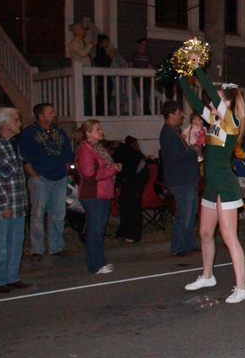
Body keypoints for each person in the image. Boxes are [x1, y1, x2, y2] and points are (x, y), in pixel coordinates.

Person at [178, 68, 245, 304]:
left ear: (226, 103)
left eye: (215, 101)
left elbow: (208, 92)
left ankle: (242, 287)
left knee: (230, 237)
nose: (209, 104)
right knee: (205, 233)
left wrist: (199, 69)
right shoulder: (214, 121)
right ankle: (208, 275)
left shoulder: (231, 122)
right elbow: (196, 102)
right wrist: (181, 75)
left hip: (226, 186)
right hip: (211, 185)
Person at [18, 102, 74, 262]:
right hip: (40, 178)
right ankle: (37, 248)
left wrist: (66, 168)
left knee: (58, 214)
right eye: (50, 112)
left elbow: (66, 152)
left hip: (59, 177)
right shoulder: (29, 134)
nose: (54, 114)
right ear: (41, 115)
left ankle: (56, 246)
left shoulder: (58, 133)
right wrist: (34, 176)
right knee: (37, 214)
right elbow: (25, 157)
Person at [74, 120, 122, 274]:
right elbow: (90, 174)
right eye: (97, 129)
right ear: (88, 132)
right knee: (95, 229)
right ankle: (95, 264)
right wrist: (113, 169)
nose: (101, 131)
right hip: (94, 194)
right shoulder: (85, 150)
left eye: (100, 128)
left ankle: (99, 261)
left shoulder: (97, 148)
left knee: (99, 229)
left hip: (103, 192)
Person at [0, 107, 30, 293]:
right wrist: (3, 204)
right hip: (3, 206)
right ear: (5, 123)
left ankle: (12, 276)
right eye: (16, 120)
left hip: (18, 202)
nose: (19, 123)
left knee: (16, 241)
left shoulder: (13, 144)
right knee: (0, 244)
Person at [159, 101, 200, 258]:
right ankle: (177, 246)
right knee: (183, 213)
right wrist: (193, 152)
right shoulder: (168, 133)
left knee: (190, 213)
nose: (182, 116)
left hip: (187, 178)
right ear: (171, 114)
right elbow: (174, 156)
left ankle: (188, 243)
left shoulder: (175, 131)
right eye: (179, 113)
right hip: (180, 179)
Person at [111, 135, 149, 244]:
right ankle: (124, 231)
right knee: (124, 203)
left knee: (132, 204)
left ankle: (133, 234)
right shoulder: (123, 150)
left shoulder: (118, 152)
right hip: (132, 176)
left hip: (136, 176)